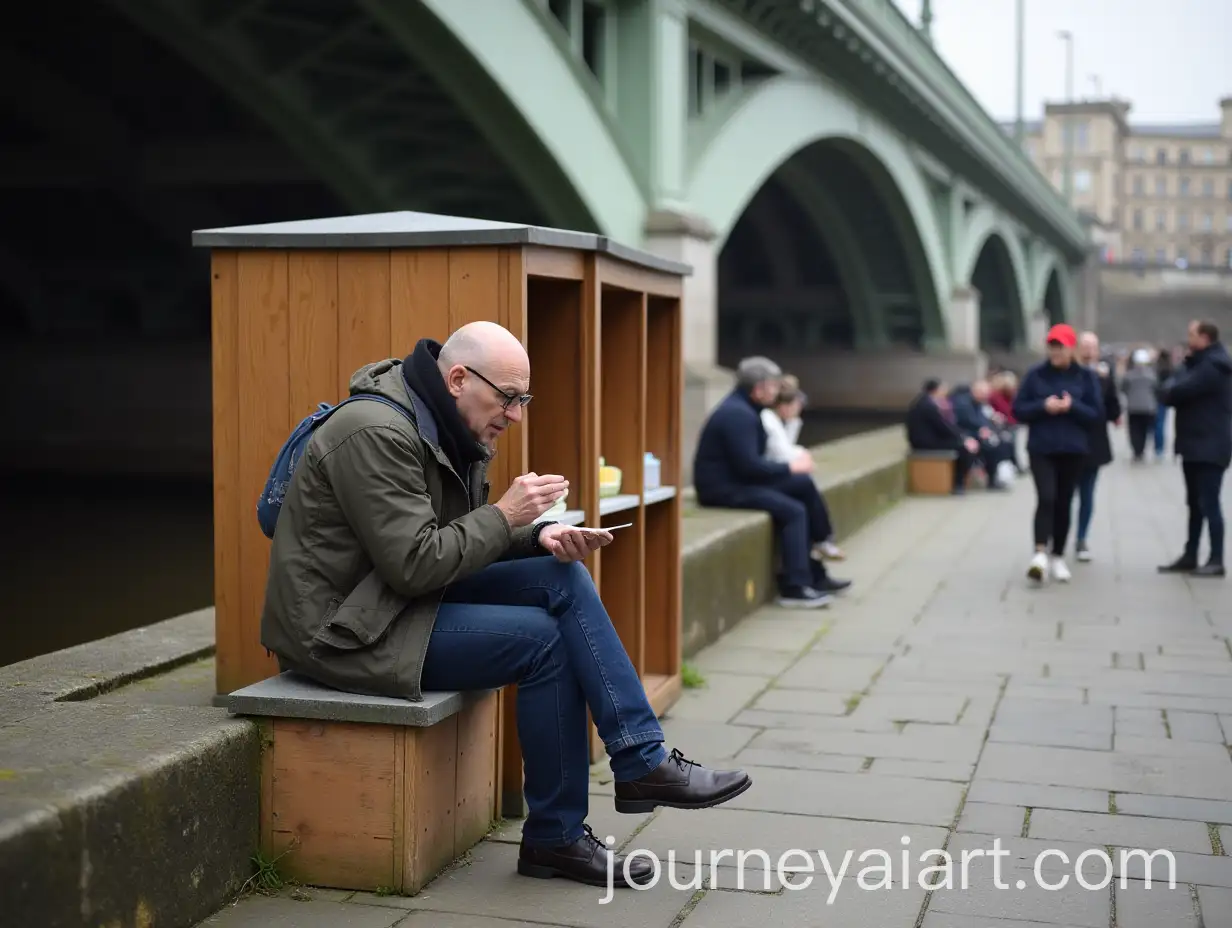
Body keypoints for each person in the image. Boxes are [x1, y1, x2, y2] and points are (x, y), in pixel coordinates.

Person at [259, 321, 752, 889]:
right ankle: (557, 837)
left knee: (560, 576)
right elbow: (416, 562)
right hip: (342, 631)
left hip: (389, 602)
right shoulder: (374, 431)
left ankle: (640, 759)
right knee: (544, 642)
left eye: (524, 399)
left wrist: (535, 535)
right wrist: (507, 515)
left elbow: (447, 539)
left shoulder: (445, 420)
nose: (516, 414)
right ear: (459, 378)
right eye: (509, 398)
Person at [693, 356, 852, 606]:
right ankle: (794, 587)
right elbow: (749, 466)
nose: (779, 392)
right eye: (775, 386)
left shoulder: (745, 409)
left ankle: (818, 563)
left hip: (737, 481)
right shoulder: (738, 415)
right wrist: (790, 466)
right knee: (794, 511)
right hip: (724, 489)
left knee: (803, 484)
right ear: (760, 388)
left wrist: (791, 471)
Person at [1012, 323, 1104, 583]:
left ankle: (1058, 556)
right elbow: (1018, 409)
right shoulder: (1035, 375)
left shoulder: (1086, 378)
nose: (1055, 352)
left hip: (1073, 449)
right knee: (1047, 497)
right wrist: (1044, 406)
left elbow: (1095, 415)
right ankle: (1039, 553)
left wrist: (1072, 406)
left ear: (1071, 348)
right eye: (1052, 346)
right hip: (1042, 447)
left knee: (1065, 502)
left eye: (1060, 347)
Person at [1157, 320, 1232, 578]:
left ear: (1205, 338)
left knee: (1209, 503)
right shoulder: (1198, 363)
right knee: (1195, 504)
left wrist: (1175, 381)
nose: (1188, 339)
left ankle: (1216, 558)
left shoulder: (1213, 366)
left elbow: (1174, 392)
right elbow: (1170, 390)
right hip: (1195, 444)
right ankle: (1191, 554)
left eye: (1192, 335)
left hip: (1209, 445)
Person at [760, 375, 844, 560]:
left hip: (775, 470)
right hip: (768, 474)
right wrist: (802, 456)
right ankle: (823, 539)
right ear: (784, 406)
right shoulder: (768, 420)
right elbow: (782, 453)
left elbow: (788, 447)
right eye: (796, 406)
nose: (799, 410)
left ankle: (821, 543)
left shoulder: (779, 421)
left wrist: (793, 423)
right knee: (804, 487)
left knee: (805, 491)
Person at [1072, 332, 1122, 563]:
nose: (1089, 351)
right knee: (1062, 494)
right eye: (1085, 346)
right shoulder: (1068, 373)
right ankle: (1058, 535)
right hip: (1070, 441)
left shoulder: (1103, 375)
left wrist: (1116, 416)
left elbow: (1112, 404)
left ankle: (1082, 538)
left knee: (1087, 494)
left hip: (1094, 443)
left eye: (1092, 347)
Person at [905, 378, 982, 493]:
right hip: (925, 442)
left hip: (928, 438)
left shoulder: (926, 402)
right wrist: (963, 438)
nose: (946, 391)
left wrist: (963, 436)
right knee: (964, 449)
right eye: (943, 388)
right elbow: (942, 427)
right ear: (936, 389)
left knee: (964, 445)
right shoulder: (927, 406)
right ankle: (958, 483)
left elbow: (945, 426)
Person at [948, 379, 1014, 489]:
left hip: (978, 435)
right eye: (983, 393)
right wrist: (979, 431)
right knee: (969, 450)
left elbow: (983, 420)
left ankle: (992, 479)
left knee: (999, 447)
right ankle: (959, 483)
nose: (985, 396)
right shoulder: (963, 403)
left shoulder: (980, 403)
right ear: (975, 391)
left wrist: (987, 428)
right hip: (963, 435)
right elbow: (965, 422)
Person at [1122, 348, 1158, 462]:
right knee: (1144, 430)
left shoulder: (1129, 375)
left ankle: (1136, 451)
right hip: (1148, 407)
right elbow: (1156, 388)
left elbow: (1123, 388)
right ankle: (1141, 450)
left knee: (1134, 431)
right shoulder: (1151, 375)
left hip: (1133, 407)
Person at [1154, 345, 1174, 459]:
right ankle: (1160, 448)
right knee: (1161, 424)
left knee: (1156, 424)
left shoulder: (1156, 368)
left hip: (1155, 398)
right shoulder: (1170, 369)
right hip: (1164, 399)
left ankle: (1157, 446)